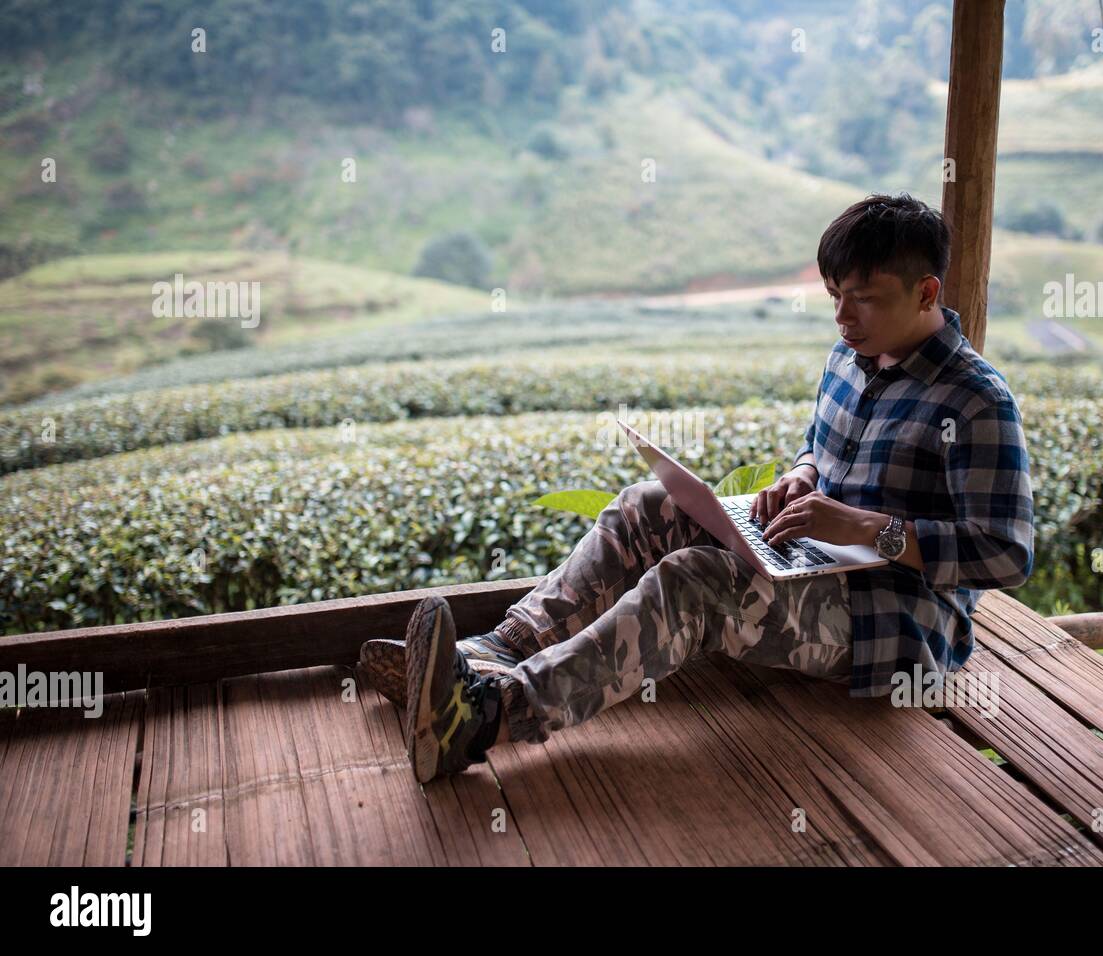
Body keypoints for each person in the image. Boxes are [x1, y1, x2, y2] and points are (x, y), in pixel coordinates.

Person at [359, 193, 1035, 784]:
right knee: (644, 507)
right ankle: (489, 655)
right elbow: (818, 449)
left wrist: (864, 529)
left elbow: (1007, 555)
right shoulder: (853, 358)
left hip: (897, 621)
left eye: (864, 299)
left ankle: (479, 720)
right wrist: (800, 479)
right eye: (835, 297)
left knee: (695, 583)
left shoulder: (975, 402)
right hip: (817, 563)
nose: (843, 318)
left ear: (926, 293)